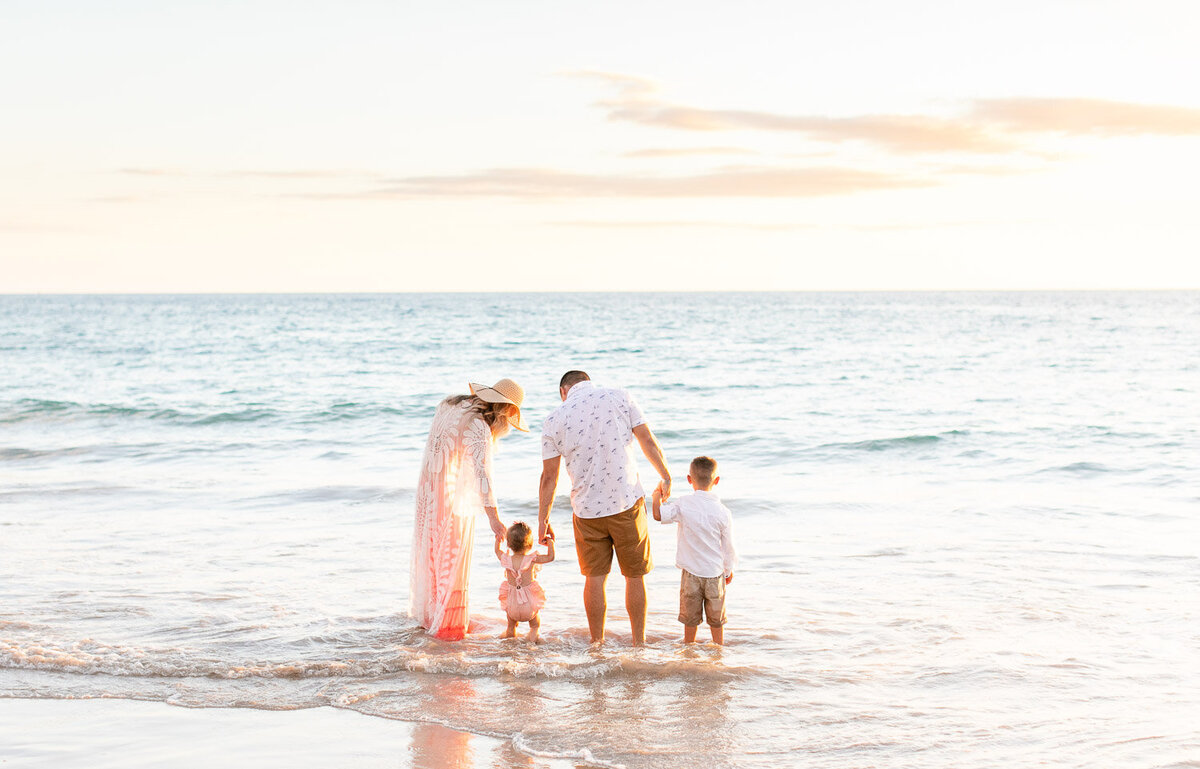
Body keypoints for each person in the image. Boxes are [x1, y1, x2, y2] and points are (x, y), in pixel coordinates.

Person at [538, 370, 671, 645]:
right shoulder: (620, 396)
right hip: (626, 503)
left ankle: (596, 643)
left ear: (564, 391)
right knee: (635, 577)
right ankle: (638, 644)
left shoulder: (554, 418)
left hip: (586, 512)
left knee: (595, 579)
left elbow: (549, 477)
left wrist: (543, 520)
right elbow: (647, 441)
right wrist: (666, 476)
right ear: (587, 381)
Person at [410, 378, 527, 640]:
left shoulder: (451, 404)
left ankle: (431, 618)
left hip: (428, 488)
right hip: (450, 497)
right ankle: (448, 630)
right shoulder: (480, 426)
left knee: (432, 554)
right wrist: (494, 519)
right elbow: (482, 474)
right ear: (506, 411)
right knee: (452, 558)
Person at [651, 455, 737, 645]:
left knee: (690, 618)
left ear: (689, 480)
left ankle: (688, 649)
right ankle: (718, 650)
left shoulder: (684, 503)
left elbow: (658, 515)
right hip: (715, 574)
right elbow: (728, 547)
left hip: (690, 573)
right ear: (716, 480)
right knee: (716, 619)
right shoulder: (723, 512)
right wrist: (728, 570)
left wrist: (657, 495)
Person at [494, 521, 555, 643]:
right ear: (530, 545)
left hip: (512, 606)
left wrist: (498, 540)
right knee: (534, 626)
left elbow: (497, 551)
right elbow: (550, 557)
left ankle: (510, 641)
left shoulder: (506, 559)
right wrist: (550, 543)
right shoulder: (531, 559)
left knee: (511, 626)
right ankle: (531, 643)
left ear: (509, 544)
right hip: (529, 606)